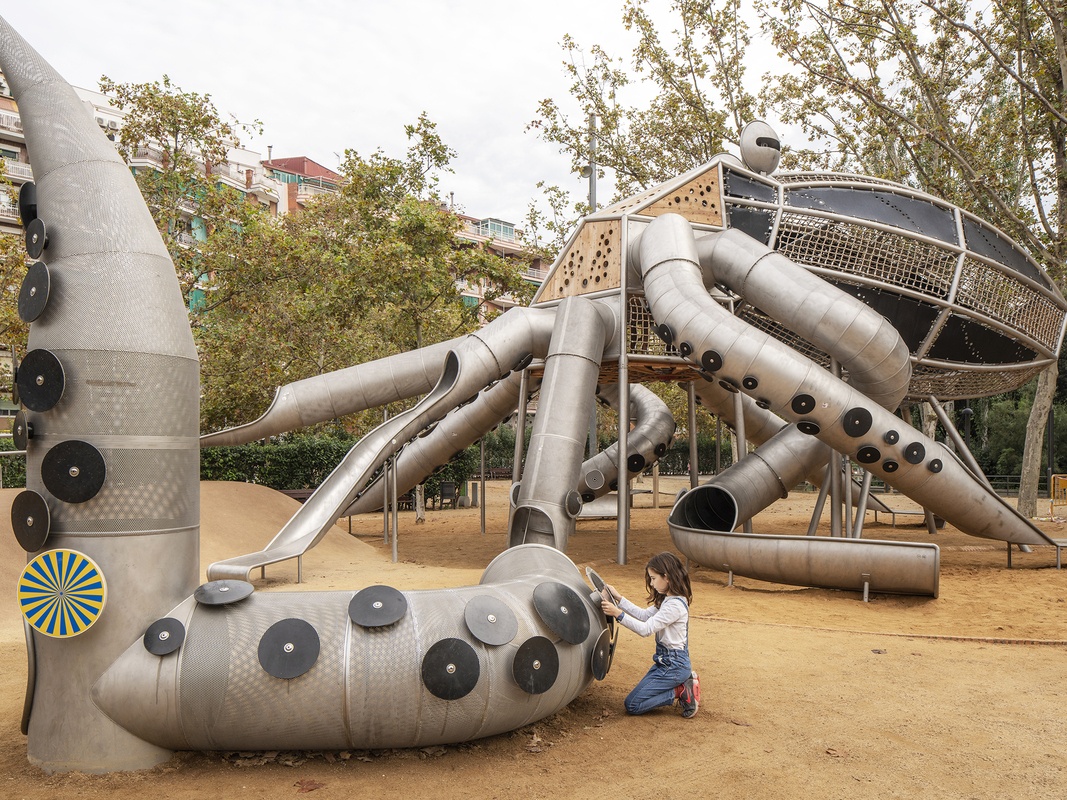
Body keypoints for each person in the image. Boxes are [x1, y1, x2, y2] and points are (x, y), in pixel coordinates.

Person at [601, 551, 700, 718]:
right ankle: (681, 683)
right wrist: (618, 598)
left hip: (673, 666)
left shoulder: (673, 606)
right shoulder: (667, 600)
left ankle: (681, 690)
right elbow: (643, 615)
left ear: (666, 577)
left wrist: (618, 614)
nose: (652, 584)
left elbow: (645, 629)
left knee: (633, 704)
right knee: (638, 698)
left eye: (653, 578)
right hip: (666, 662)